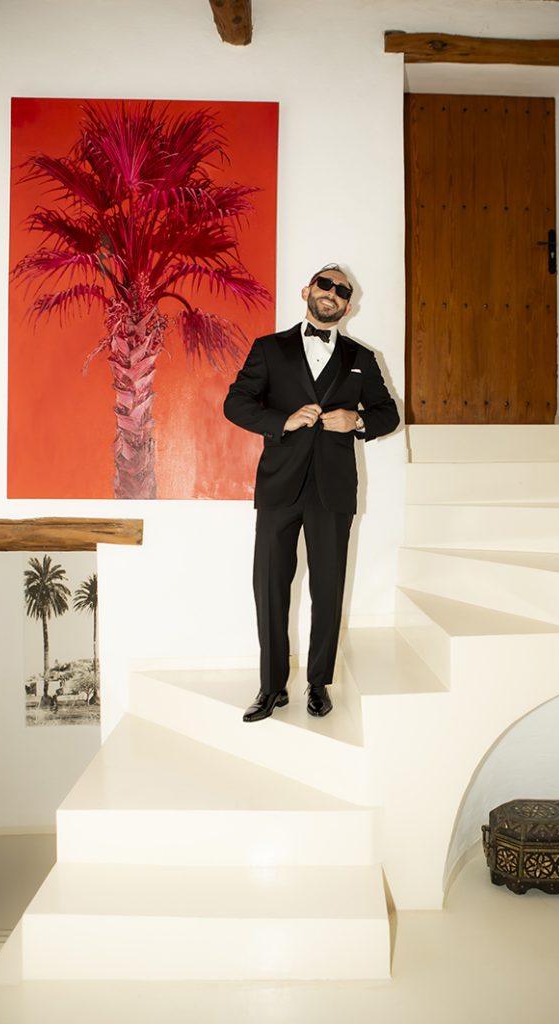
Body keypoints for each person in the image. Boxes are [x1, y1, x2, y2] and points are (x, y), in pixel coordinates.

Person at [224, 264, 399, 722]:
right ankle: (271, 687)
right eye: (326, 284)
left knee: (328, 589)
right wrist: (281, 421)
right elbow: (236, 403)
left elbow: (388, 414)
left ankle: (319, 684)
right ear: (307, 291)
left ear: (348, 304)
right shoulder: (269, 349)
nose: (334, 294)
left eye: (343, 291)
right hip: (280, 486)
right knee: (270, 588)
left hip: (333, 490)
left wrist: (357, 420)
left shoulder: (362, 356)